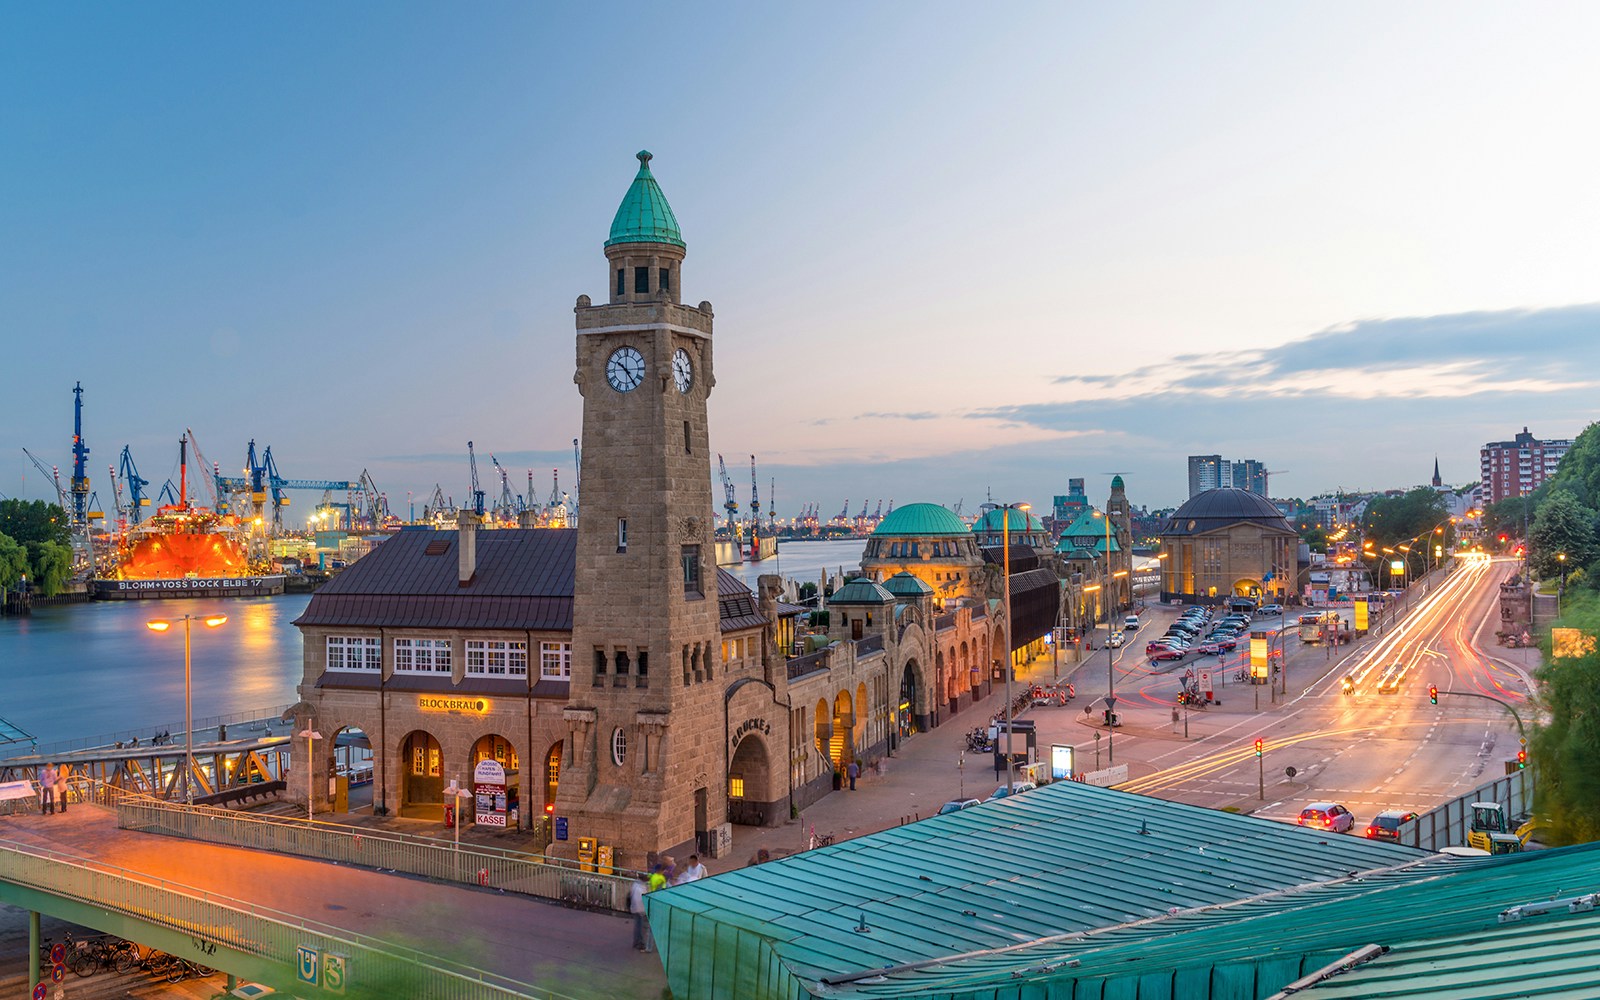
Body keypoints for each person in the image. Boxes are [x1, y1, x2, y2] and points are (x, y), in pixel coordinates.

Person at [628, 871, 654, 952]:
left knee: (638, 927)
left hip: (637, 909)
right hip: (640, 910)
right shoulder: (640, 888)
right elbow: (639, 900)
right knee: (640, 927)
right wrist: (643, 911)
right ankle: (639, 943)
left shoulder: (637, 885)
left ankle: (636, 942)